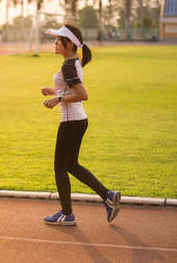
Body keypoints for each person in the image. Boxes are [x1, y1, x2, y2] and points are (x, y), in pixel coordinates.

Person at [41, 24, 121, 226]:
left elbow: (82, 95)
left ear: (68, 44)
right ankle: (108, 196)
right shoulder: (74, 62)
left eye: (58, 40)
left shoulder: (68, 65)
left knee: (60, 168)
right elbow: (70, 88)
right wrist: (53, 91)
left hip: (70, 122)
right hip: (78, 121)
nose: (55, 43)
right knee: (71, 166)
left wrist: (57, 99)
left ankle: (67, 214)